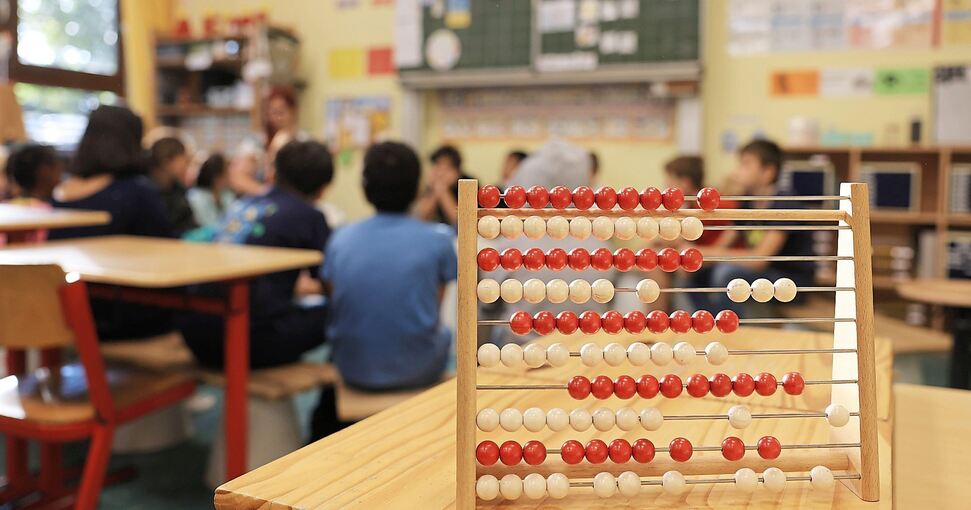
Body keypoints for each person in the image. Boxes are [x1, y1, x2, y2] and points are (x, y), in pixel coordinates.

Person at [312, 141, 456, 438]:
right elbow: (434, 306)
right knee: (443, 333)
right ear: (418, 188)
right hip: (419, 367)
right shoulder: (438, 240)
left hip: (353, 367)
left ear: (364, 189)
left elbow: (337, 298)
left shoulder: (340, 239)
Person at [179, 140, 333, 369]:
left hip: (194, 332)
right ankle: (329, 403)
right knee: (345, 311)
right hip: (244, 339)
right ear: (322, 189)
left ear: (273, 173)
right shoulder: (310, 216)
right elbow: (333, 283)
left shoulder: (242, 204)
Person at [49, 105, 175, 340]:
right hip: (120, 317)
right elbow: (169, 251)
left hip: (59, 315)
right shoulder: (136, 191)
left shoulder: (59, 193)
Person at [698, 139, 813, 313]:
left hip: (789, 281)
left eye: (745, 165)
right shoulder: (747, 203)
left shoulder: (785, 204)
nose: (737, 172)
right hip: (762, 275)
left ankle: (736, 329)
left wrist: (704, 254)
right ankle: (713, 325)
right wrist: (697, 259)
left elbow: (759, 259)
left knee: (726, 274)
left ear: (768, 172)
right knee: (696, 274)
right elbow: (721, 246)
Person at [1, 144, 63, 244]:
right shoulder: (48, 212)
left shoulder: (6, 206)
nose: (60, 177)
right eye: (58, 169)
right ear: (45, 171)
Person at [149, 137, 197, 235]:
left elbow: (190, 224)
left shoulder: (179, 189)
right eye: (185, 161)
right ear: (166, 161)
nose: (186, 167)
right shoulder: (145, 192)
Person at [414, 144, 470, 226]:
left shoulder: (468, 184)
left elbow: (461, 223)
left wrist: (443, 190)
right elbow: (421, 218)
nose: (441, 173)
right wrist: (437, 191)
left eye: (447, 168)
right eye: (437, 165)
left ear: (457, 171)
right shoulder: (429, 186)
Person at [187, 153, 235, 228]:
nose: (229, 174)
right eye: (226, 172)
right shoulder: (196, 197)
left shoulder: (226, 194)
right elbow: (206, 225)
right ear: (217, 178)